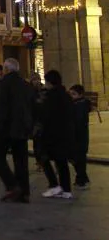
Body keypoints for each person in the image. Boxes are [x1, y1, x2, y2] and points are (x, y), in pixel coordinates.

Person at [0, 58, 34, 203]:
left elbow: (0, 108)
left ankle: (12, 184)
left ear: (6, 70)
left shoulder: (3, 84)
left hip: (6, 128)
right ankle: (24, 192)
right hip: (22, 128)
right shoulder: (26, 85)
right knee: (21, 160)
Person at [39, 70, 74, 199]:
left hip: (52, 135)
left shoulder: (51, 97)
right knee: (61, 162)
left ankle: (54, 185)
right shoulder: (65, 95)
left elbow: (46, 116)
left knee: (44, 158)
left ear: (49, 82)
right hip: (65, 134)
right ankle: (66, 189)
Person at [69, 84, 91, 189]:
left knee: (79, 159)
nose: (71, 96)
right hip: (78, 136)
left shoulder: (80, 105)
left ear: (80, 94)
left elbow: (78, 122)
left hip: (79, 137)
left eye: (74, 94)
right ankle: (82, 179)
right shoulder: (78, 104)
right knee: (78, 159)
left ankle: (82, 180)